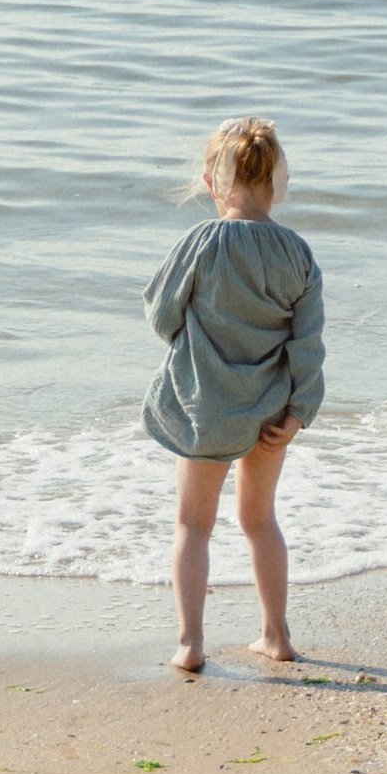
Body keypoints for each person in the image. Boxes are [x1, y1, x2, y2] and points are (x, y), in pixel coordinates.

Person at [142, 116, 323, 676]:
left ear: (211, 183)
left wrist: (197, 336)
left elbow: (161, 315)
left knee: (193, 525)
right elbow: (308, 343)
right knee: (260, 520)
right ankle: (276, 635)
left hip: (205, 407)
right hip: (271, 409)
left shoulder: (201, 242)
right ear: (276, 183)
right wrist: (298, 413)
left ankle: (191, 643)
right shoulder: (296, 252)